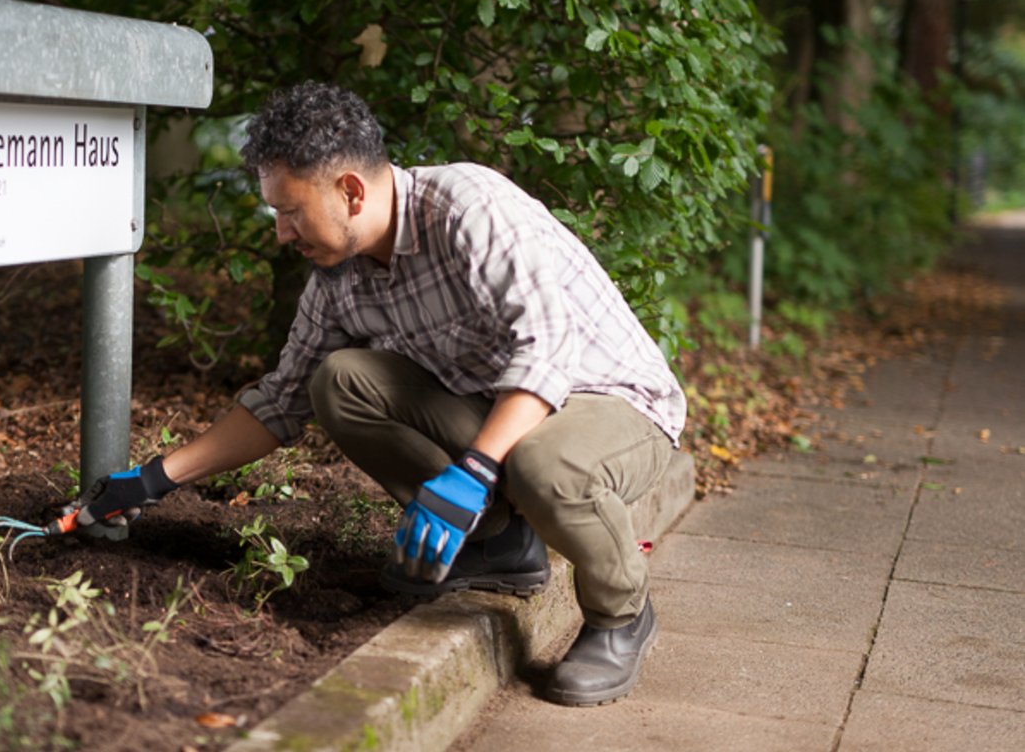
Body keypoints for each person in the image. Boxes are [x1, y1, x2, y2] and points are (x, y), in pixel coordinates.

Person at [63, 81, 686, 707]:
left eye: (290, 211)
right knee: (340, 380)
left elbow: (546, 354)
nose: (282, 232)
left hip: (612, 400)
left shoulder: (469, 207)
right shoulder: (338, 279)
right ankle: (498, 545)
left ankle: (620, 614)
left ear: (351, 192)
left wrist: (471, 472)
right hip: (500, 406)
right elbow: (281, 402)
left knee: (542, 463)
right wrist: (152, 480)